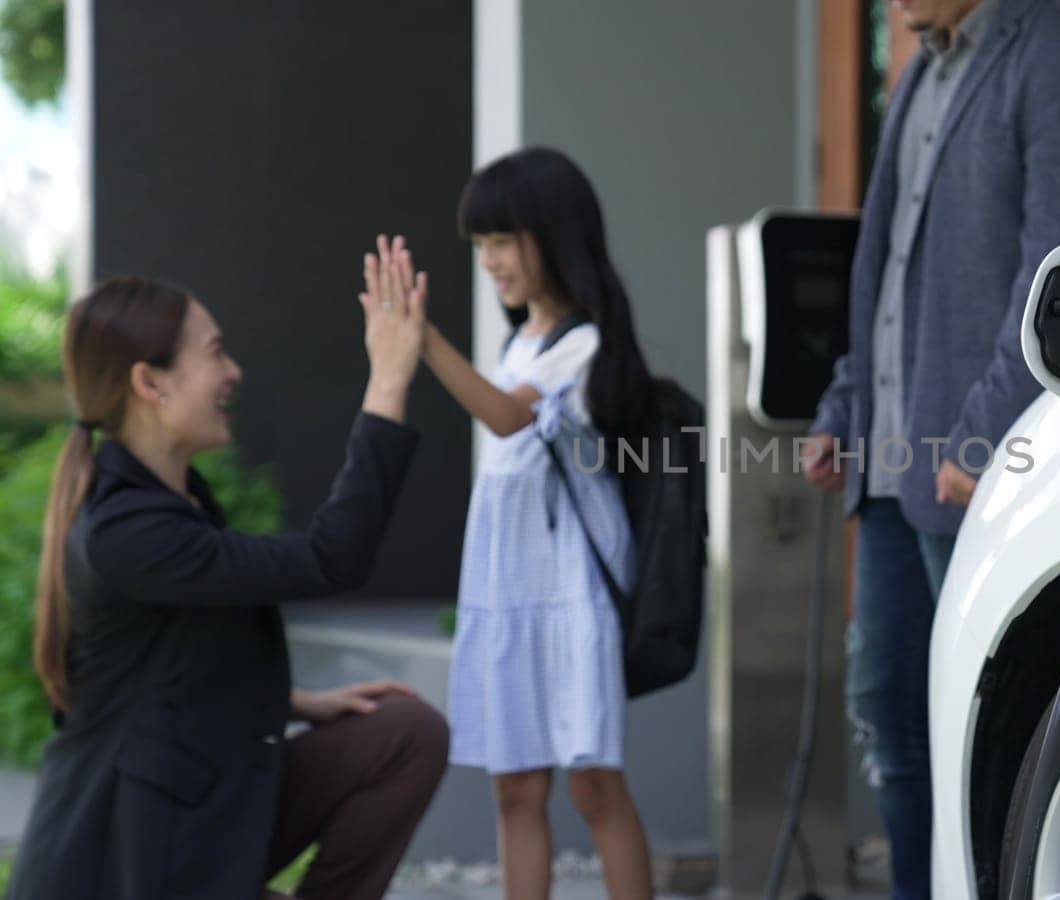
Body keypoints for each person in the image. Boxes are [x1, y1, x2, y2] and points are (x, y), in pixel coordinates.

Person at [802, 0, 1060, 896]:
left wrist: (985, 430)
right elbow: (890, 273)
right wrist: (845, 403)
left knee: (994, 734)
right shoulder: (922, 66)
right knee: (893, 719)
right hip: (891, 467)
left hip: (975, 470)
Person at [5, 254, 449, 900]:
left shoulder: (169, 504)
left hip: (188, 819)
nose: (233, 372)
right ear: (150, 383)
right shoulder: (127, 534)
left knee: (404, 732)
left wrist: (299, 703)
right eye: (214, 353)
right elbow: (334, 558)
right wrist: (388, 380)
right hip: (126, 868)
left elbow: (164, 661)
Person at [410, 146, 655, 900]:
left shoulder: (582, 346)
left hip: (568, 594)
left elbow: (511, 418)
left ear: (555, 235)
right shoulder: (519, 344)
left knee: (592, 786)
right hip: (512, 595)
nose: (489, 261)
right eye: (480, 245)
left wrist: (424, 340)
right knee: (514, 790)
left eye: (502, 240)